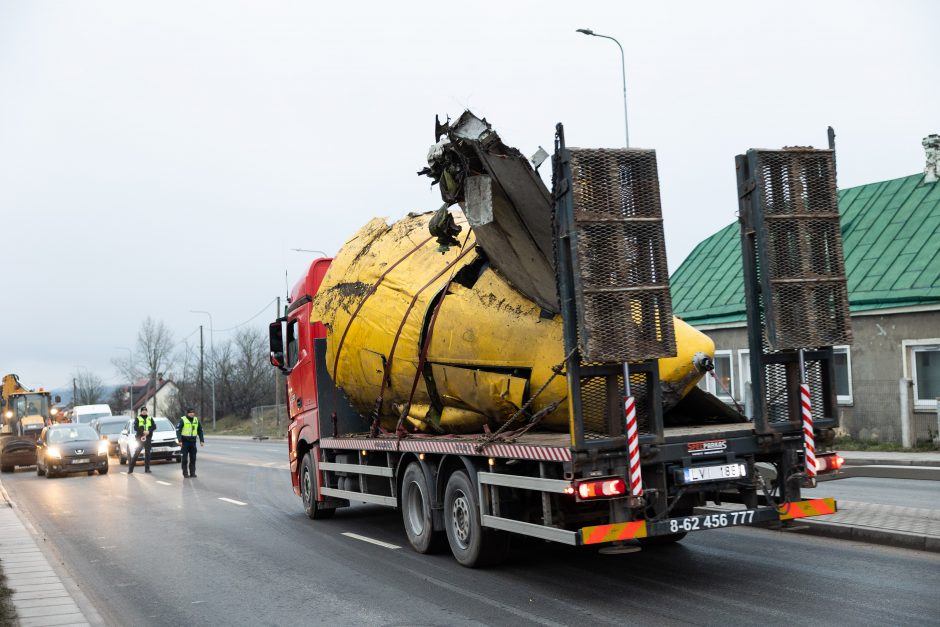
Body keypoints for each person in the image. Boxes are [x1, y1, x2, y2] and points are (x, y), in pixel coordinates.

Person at [176, 408, 204, 478]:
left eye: (193, 412)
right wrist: (179, 440)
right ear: (187, 413)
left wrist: (202, 440)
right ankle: (185, 473)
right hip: (185, 442)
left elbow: (200, 430)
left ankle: (192, 473)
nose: (192, 414)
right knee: (184, 459)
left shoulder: (196, 420)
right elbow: (178, 430)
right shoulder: (183, 420)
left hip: (193, 442)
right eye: (190, 412)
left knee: (193, 458)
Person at [128, 406, 156, 474]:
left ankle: (147, 469)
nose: (144, 411)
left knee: (148, 454)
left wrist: (149, 431)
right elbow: (135, 427)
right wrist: (143, 432)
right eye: (143, 410)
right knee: (137, 453)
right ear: (141, 412)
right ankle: (130, 469)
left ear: (147, 411)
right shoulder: (137, 418)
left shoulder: (150, 418)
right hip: (140, 437)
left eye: (145, 410)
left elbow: (154, 426)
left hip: (148, 437)